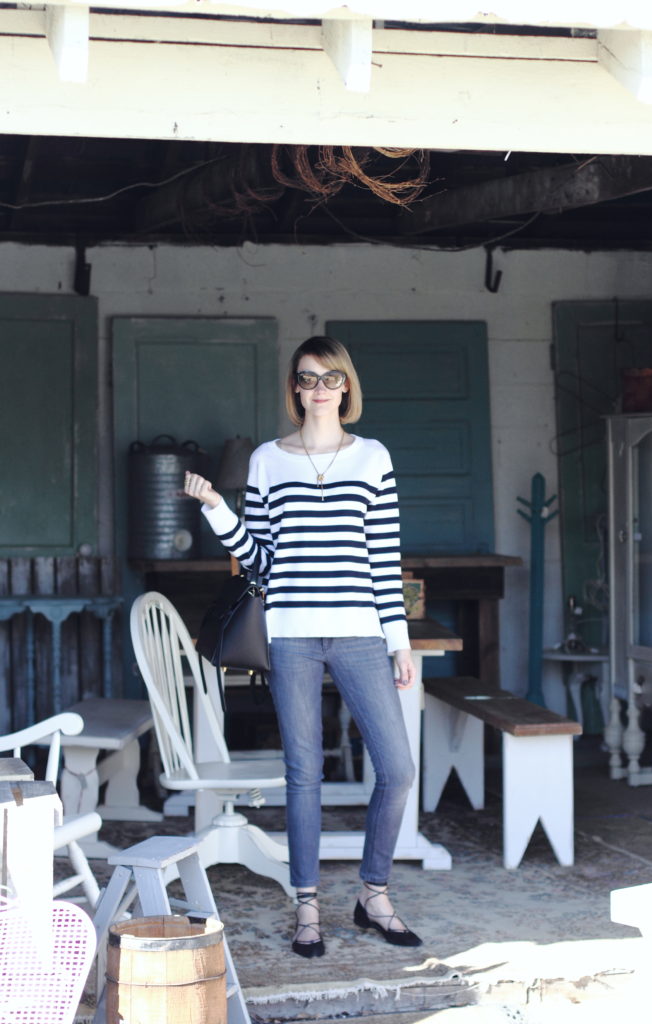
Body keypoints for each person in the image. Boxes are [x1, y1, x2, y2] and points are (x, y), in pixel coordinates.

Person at [184, 335, 421, 958]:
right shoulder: (268, 460)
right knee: (304, 775)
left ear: (347, 386)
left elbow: (382, 558)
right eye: (306, 378)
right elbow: (261, 561)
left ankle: (373, 893)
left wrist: (399, 641)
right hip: (290, 633)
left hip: (361, 632)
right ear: (294, 387)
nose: (318, 389)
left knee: (397, 769)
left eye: (330, 378)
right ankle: (307, 906)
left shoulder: (373, 457)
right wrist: (215, 507)